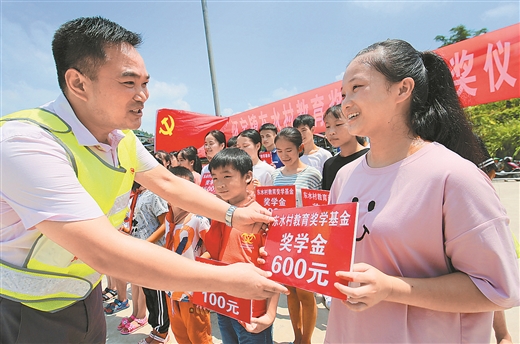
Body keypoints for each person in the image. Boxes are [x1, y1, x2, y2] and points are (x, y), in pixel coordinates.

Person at [0, 16, 286, 343]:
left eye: (145, 83)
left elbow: (166, 183)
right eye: (128, 83)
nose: (144, 95)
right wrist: (225, 279)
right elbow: (104, 252)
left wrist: (233, 215)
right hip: (26, 310)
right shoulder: (26, 143)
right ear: (78, 83)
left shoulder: (120, 138)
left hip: (85, 295)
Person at [325, 39, 519, 343]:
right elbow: (333, 261)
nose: (345, 103)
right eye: (343, 94)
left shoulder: (453, 176)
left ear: (403, 89)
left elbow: (497, 289)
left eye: (357, 87)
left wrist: (392, 289)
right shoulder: (345, 177)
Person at [204, 148, 279, 344]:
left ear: (248, 177)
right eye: (215, 178)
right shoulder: (221, 214)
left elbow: (274, 269)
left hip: (253, 310)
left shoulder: (261, 217)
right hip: (224, 303)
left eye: (227, 176)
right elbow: (214, 256)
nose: (220, 185)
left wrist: (270, 314)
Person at [271, 127, 322, 344]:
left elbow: (321, 207)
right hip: (283, 241)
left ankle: (307, 340)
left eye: (289, 150)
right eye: (279, 151)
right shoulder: (275, 176)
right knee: (290, 293)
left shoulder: (312, 174)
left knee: (305, 294)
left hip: (306, 241)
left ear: (300, 148)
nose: (284, 155)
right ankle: (297, 337)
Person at [164, 166, 213, 344]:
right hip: (171, 291)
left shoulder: (198, 220)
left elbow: (212, 251)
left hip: (193, 292)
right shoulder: (168, 220)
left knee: (200, 337)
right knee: (181, 335)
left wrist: (201, 287)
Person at [321, 104, 369, 191]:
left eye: (338, 124)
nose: (331, 132)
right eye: (328, 126)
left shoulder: (371, 158)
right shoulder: (329, 165)